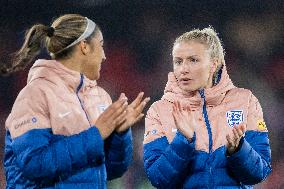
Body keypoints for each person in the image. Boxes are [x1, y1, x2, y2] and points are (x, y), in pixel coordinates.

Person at [3, 14, 150, 189]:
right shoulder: (35, 94)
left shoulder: (99, 97)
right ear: (84, 47)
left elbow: (111, 171)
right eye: (101, 46)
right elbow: (35, 164)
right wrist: (96, 134)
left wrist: (120, 134)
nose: (104, 56)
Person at [143, 27, 272, 188]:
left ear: (213, 64)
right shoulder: (160, 111)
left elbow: (260, 172)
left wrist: (238, 150)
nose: (183, 69)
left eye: (193, 60)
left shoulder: (245, 102)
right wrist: (183, 141)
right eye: (178, 61)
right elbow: (157, 178)